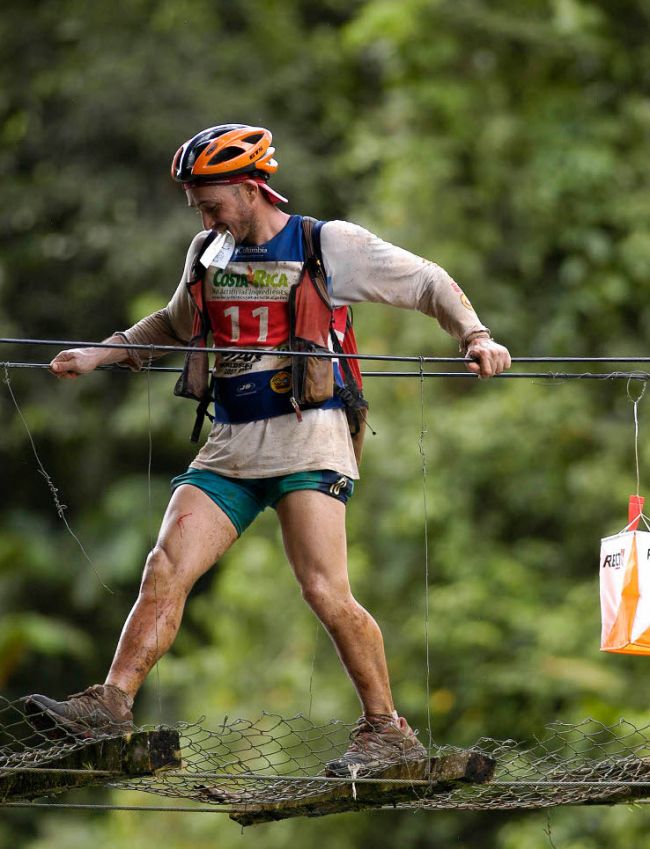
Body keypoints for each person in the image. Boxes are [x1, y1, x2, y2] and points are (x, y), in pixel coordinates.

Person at [26, 124, 511, 777]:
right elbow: (172, 325)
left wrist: (474, 337)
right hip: (231, 439)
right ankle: (109, 703)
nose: (203, 213)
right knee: (165, 565)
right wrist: (97, 354)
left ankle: (386, 730)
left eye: (211, 199)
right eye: (196, 202)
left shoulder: (325, 243)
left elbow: (428, 282)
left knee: (323, 588)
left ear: (251, 186)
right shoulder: (208, 250)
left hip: (310, 432)